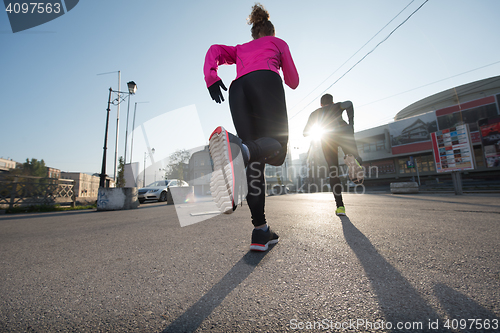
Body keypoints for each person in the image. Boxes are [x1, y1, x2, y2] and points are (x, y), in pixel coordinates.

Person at [203, 3, 299, 251]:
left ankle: (261, 231)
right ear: (270, 32)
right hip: (265, 81)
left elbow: (214, 49)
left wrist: (212, 77)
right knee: (276, 151)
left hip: (238, 90)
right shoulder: (278, 43)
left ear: (254, 33)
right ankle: (240, 152)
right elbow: (294, 81)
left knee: (257, 158)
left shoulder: (241, 49)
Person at [303, 93, 362, 216]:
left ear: (321, 104)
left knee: (333, 172)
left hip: (327, 138)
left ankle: (340, 207)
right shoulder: (337, 106)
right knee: (351, 151)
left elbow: (305, 132)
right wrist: (351, 125)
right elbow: (349, 103)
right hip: (344, 132)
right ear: (333, 102)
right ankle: (354, 159)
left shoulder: (315, 113)